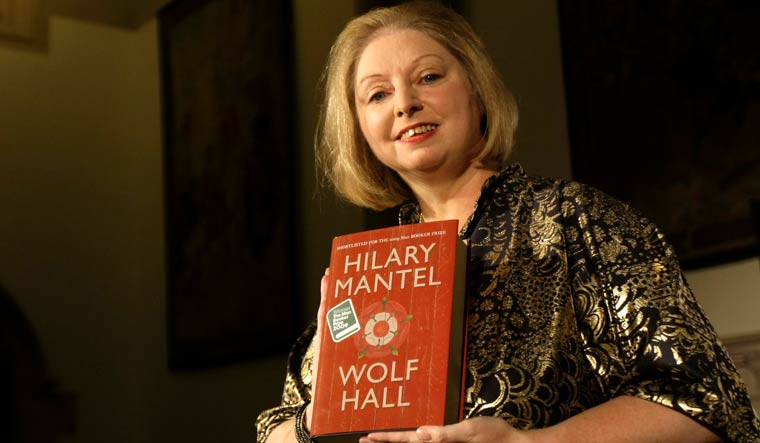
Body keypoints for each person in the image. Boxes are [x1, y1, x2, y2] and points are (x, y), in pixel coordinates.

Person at [256, 2, 760, 442]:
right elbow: (276, 429)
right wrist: (329, 380)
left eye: (428, 77)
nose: (405, 104)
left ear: (477, 90)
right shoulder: (368, 271)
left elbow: (706, 400)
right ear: (359, 128)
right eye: (377, 94)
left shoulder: (577, 220)